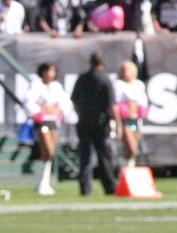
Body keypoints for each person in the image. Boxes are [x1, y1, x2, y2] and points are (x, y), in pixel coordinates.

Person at [70, 53, 120, 196]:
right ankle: (110, 186)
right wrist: (118, 125)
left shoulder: (82, 78)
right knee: (104, 156)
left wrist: (81, 113)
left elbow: (74, 99)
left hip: (84, 121)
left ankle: (85, 188)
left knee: (85, 157)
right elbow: (111, 106)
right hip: (101, 122)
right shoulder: (105, 79)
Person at [26, 62, 73, 196]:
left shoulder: (57, 87)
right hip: (42, 122)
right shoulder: (36, 85)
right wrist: (38, 113)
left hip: (53, 122)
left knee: (50, 153)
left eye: (52, 71)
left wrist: (61, 112)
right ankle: (41, 181)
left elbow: (65, 103)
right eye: (47, 71)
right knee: (48, 149)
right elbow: (29, 101)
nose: (49, 74)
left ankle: (43, 181)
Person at [113, 60, 148, 168]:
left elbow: (142, 101)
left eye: (128, 69)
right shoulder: (118, 85)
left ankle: (129, 165)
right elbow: (116, 102)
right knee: (130, 144)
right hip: (125, 121)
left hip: (134, 120)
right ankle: (127, 163)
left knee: (134, 143)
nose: (125, 72)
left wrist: (142, 110)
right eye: (123, 70)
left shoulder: (138, 85)